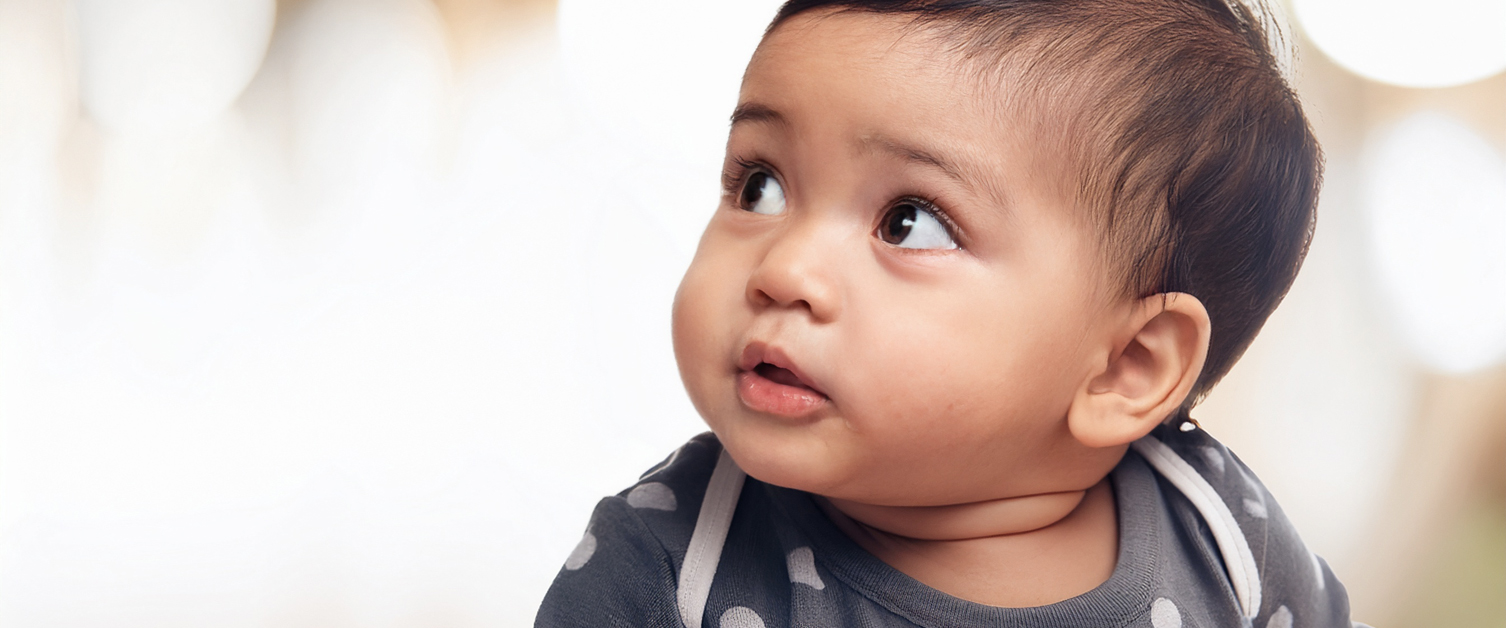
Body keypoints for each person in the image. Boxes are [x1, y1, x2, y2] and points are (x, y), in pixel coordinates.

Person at [537, 0, 1359, 626]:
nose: (783, 269)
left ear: (1125, 365)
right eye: (762, 185)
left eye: (909, 223)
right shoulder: (672, 568)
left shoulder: (1221, 537)